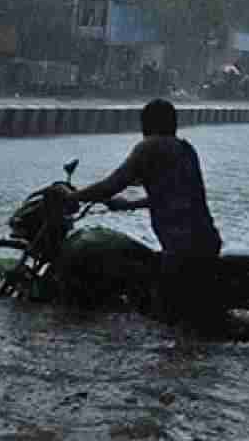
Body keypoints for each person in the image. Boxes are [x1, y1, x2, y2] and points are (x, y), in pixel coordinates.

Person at [61, 99, 223, 329]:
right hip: (204, 240)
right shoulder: (185, 149)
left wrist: (72, 197)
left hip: (181, 249)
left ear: (148, 123)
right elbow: (175, 196)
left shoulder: (149, 147)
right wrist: (129, 205)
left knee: (171, 320)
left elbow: (111, 184)